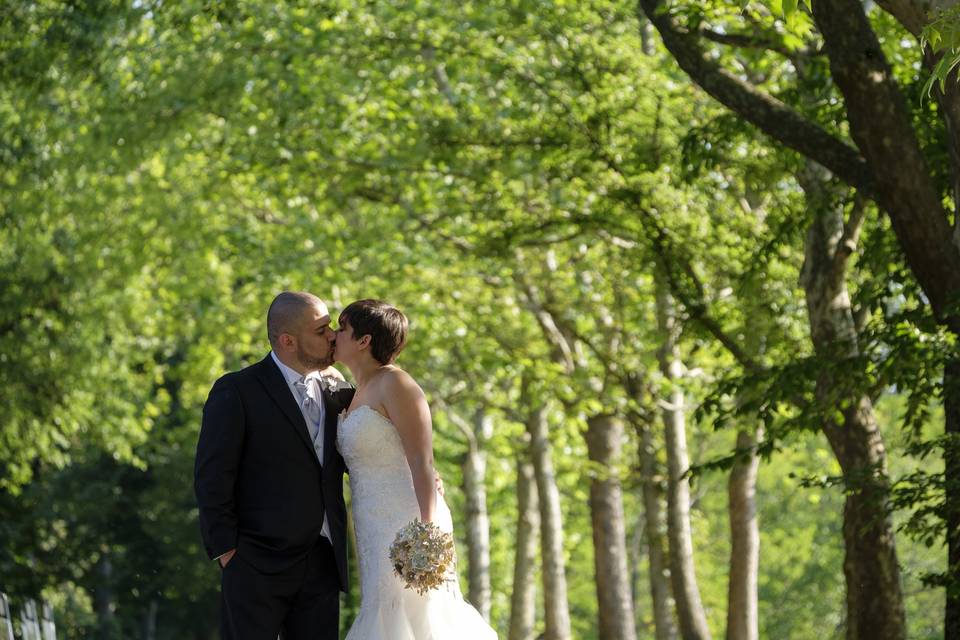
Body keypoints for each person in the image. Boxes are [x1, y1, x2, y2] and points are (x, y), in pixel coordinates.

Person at [194, 291, 355, 640]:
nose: (332, 336)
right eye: (322, 329)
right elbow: (212, 477)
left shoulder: (339, 391)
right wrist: (228, 552)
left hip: (323, 564)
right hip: (255, 563)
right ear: (288, 341)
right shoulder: (236, 391)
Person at [334, 299, 497, 639]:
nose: (334, 335)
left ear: (364, 340)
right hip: (370, 524)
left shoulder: (398, 385)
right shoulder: (352, 391)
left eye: (342, 329)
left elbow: (422, 463)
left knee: (420, 616)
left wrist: (428, 533)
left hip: (407, 522)